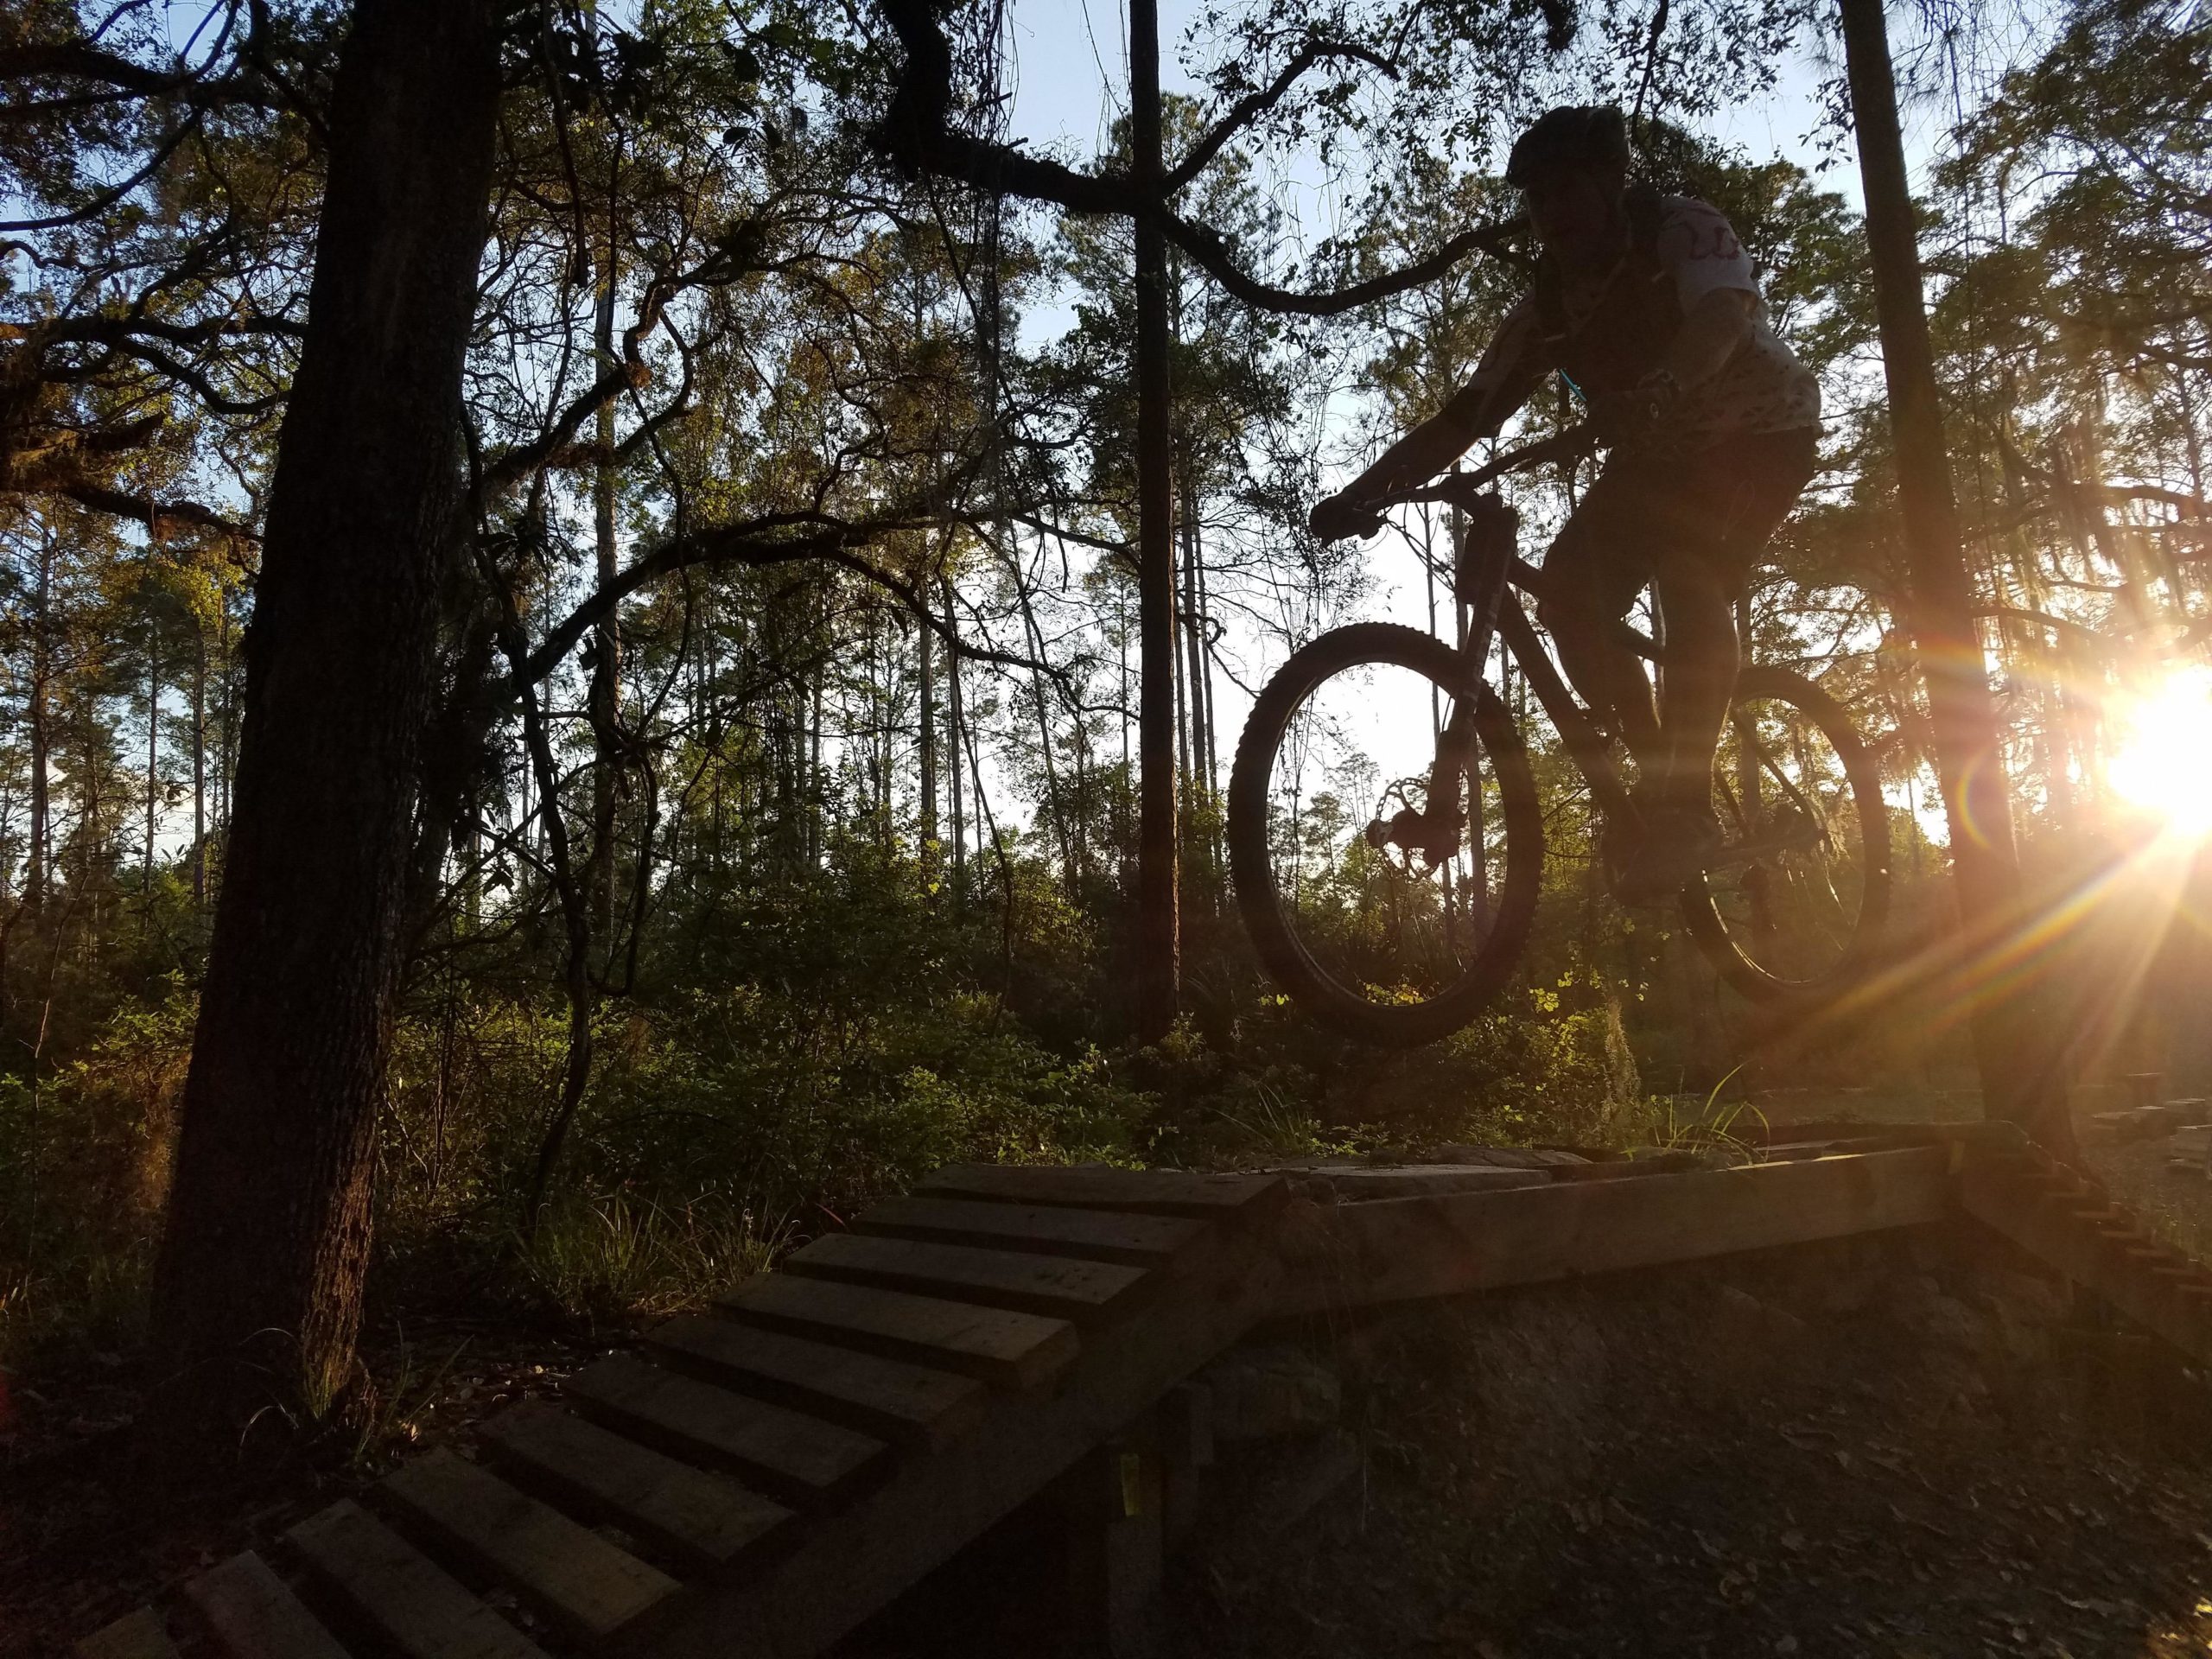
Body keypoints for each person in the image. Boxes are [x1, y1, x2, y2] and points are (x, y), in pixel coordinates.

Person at [1310, 105, 1821, 902]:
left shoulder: (1680, 228)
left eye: (1566, 193)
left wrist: (1658, 387)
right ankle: (1658, 783)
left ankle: (1686, 807)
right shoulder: (1547, 310)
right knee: (1567, 595)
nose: (1551, 215)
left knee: (1690, 577)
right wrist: (1361, 496)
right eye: (1537, 201)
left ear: (1613, 185)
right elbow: (1463, 418)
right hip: (1658, 454)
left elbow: (1723, 317)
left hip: (1762, 432)